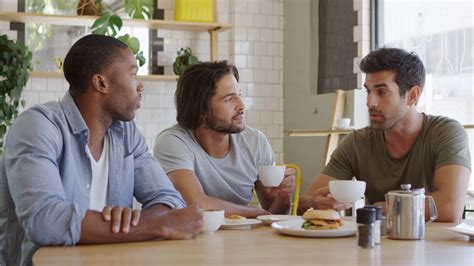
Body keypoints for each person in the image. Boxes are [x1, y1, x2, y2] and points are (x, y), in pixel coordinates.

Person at [0, 34, 203, 266]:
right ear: (101, 83)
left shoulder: (126, 133)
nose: (140, 85)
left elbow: (167, 198)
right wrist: (159, 224)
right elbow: (44, 221)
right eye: (133, 74)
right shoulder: (38, 126)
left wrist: (154, 220)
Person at [298, 48, 471, 222]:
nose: (370, 102)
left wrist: (385, 207)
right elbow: (304, 202)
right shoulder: (358, 142)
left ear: (412, 95)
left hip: (436, 246)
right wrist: (317, 202)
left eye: (381, 92)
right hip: (377, 245)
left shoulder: (446, 133)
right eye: (368, 91)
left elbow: (450, 207)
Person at [154, 61, 295, 218]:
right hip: (191, 238)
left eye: (239, 95)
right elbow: (197, 203)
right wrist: (254, 213)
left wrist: (283, 196)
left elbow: (272, 214)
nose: (241, 105)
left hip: (243, 239)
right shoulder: (173, 141)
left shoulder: (255, 141)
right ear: (200, 109)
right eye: (229, 99)